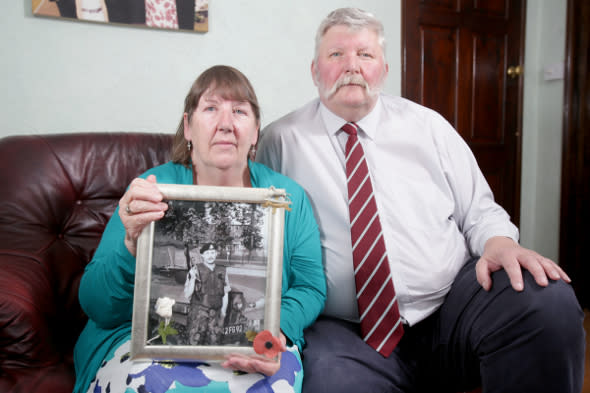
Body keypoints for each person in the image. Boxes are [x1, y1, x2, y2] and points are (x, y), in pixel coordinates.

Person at [255, 7, 585, 393]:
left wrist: (499, 242)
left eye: (365, 55)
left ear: (384, 69)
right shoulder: (279, 141)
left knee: (549, 305)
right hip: (343, 327)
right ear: (314, 71)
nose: (352, 67)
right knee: (332, 383)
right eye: (336, 54)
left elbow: (479, 210)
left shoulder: (429, 127)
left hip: (451, 306)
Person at [72, 65, 326, 393]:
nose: (226, 124)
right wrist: (131, 245)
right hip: (140, 341)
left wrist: (277, 331)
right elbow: (95, 303)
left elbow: (310, 287)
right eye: (210, 108)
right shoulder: (152, 189)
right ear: (188, 127)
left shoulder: (287, 197)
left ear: (255, 130)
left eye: (239, 111)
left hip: (255, 341)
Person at [183, 242, 231, 345]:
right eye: (207, 253)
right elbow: (187, 294)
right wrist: (192, 279)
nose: (210, 256)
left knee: (214, 342)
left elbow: (225, 293)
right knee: (195, 343)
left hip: (216, 314)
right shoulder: (195, 270)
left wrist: (223, 313)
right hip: (199, 314)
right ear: (202, 255)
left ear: (216, 254)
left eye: (212, 253)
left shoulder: (223, 271)